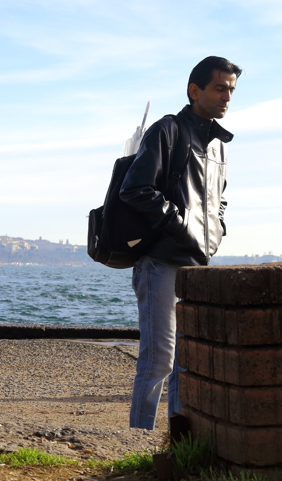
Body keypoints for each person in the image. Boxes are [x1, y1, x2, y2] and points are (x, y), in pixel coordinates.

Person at [120, 56, 241, 437]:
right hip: (160, 261)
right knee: (158, 359)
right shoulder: (168, 131)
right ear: (195, 90)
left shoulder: (219, 145)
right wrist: (183, 225)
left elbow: (218, 199)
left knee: (186, 362)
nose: (227, 97)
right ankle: (137, 442)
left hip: (196, 265)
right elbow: (135, 189)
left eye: (231, 90)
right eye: (219, 88)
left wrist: (215, 230)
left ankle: (177, 444)